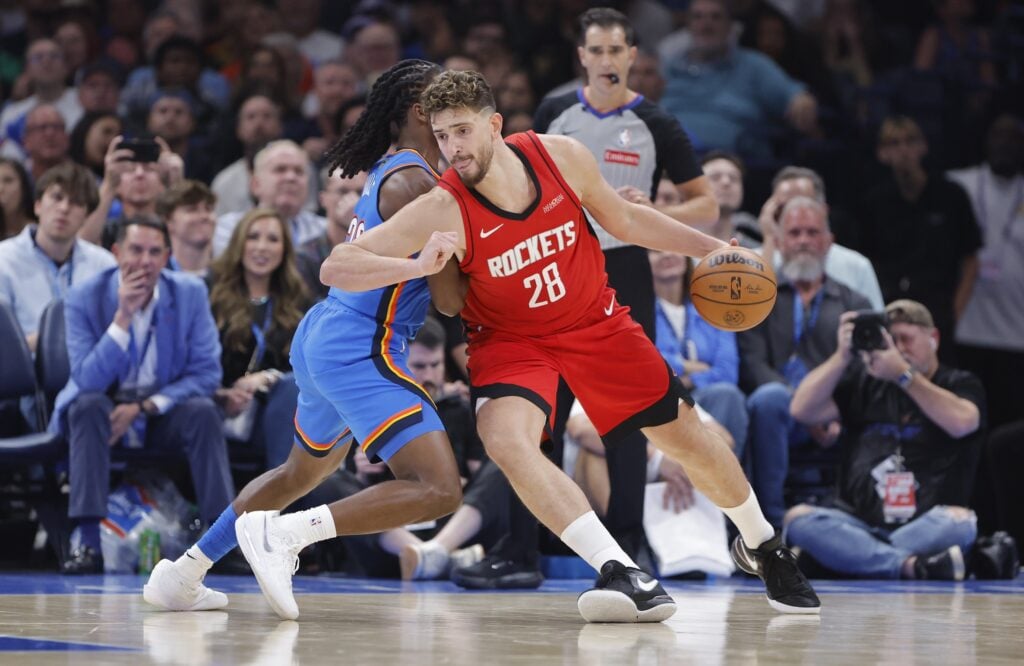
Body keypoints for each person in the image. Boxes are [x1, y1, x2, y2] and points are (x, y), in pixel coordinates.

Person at [259, 69, 821, 621]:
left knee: (687, 439)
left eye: (462, 131)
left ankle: (762, 545)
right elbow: (338, 265)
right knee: (506, 439)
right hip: (511, 340)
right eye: (441, 135)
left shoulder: (561, 156)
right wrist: (413, 264)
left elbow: (626, 219)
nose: (452, 148)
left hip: (593, 321)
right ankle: (618, 569)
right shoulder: (442, 204)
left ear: (494, 124)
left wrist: (713, 248)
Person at [141, 60, 462, 619]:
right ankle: (287, 534)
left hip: (328, 334)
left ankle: (184, 572)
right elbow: (450, 300)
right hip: (364, 343)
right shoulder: (418, 183)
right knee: (438, 488)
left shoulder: (395, 169)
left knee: (299, 473)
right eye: (447, 105)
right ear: (419, 111)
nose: (458, 115)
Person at [519, 6, 718, 580]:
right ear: (581, 56)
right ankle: (534, 544)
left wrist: (660, 211)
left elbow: (705, 202)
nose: (606, 59)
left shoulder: (657, 122)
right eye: (596, 50)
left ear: (633, 56)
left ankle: (628, 542)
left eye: (616, 50)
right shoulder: (555, 113)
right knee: (543, 406)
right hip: (556, 265)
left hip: (626, 267)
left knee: (628, 411)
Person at [52, 216, 235, 574]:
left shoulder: (190, 293)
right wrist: (122, 318)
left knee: (203, 412)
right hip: (103, 410)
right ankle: (88, 541)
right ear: (116, 252)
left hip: (159, 412)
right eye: (136, 249)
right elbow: (87, 379)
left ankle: (223, 541)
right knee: (86, 406)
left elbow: (208, 373)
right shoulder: (84, 297)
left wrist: (143, 407)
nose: (146, 260)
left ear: (167, 257)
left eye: (155, 252)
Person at [786, 300, 985, 580]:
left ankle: (845, 559)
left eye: (906, 339)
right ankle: (910, 566)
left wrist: (903, 375)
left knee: (961, 524)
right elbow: (801, 409)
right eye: (890, 340)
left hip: (926, 524)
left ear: (934, 339)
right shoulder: (864, 383)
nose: (898, 349)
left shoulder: (959, 382)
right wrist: (842, 356)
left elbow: (964, 422)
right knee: (797, 520)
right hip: (857, 522)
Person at [739, 196, 872, 528]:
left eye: (812, 232)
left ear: (828, 242)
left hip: (836, 414)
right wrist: (802, 405)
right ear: (780, 242)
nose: (803, 241)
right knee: (770, 398)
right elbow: (753, 362)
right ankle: (769, 526)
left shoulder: (856, 302)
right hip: (776, 411)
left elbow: (863, 369)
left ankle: (862, 521)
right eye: (795, 233)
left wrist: (828, 409)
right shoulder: (757, 298)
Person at [208, 208, 310, 469]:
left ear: (285, 249)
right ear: (239, 243)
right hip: (217, 406)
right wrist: (224, 394)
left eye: (273, 240)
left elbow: (306, 367)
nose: (262, 247)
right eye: (253, 237)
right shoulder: (210, 295)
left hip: (273, 410)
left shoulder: (299, 302)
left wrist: (267, 378)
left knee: (291, 389)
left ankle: (285, 490)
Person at [0, 163, 114, 352]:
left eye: (76, 202)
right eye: (57, 197)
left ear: (87, 215)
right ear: (37, 206)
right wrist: (48, 341)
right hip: (22, 376)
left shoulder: (104, 265)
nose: (64, 208)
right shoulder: (3, 259)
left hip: (89, 375)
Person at [213, 140, 325, 256]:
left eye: (299, 171)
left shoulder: (325, 231)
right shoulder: (228, 229)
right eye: (280, 169)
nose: (291, 177)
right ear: (255, 184)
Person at [297, 168, 367, 300]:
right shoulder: (305, 256)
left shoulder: (379, 250)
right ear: (323, 199)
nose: (353, 200)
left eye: (360, 192)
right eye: (343, 192)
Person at [157, 180, 216, 279]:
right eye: (192, 210)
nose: (204, 216)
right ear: (168, 220)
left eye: (208, 209)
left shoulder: (231, 276)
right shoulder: (157, 276)